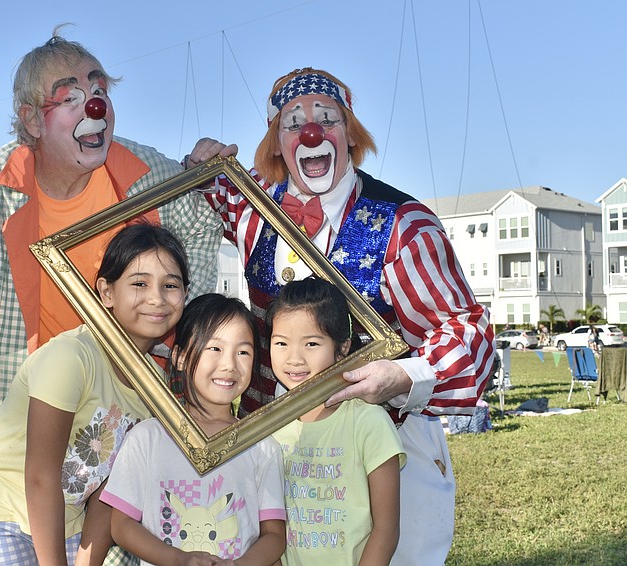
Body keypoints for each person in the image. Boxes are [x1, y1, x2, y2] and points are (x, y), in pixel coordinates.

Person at [0, 25, 234, 472]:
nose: (94, 105)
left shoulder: (145, 174)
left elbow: (198, 228)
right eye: (70, 97)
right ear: (33, 119)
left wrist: (168, 328)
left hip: (122, 430)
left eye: (98, 89)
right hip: (16, 427)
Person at [204, 68, 494, 564]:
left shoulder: (405, 224)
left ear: (349, 134)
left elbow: (469, 336)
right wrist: (204, 163)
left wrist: (401, 375)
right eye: (294, 123)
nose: (311, 132)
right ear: (276, 142)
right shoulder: (253, 205)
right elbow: (209, 185)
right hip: (279, 451)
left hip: (382, 450)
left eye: (327, 119)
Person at [0, 224, 191, 565]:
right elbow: (40, 475)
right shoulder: (71, 356)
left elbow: (109, 489)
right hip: (0, 506)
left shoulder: (154, 385)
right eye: (139, 283)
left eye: (171, 285)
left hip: (68, 521)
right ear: (106, 292)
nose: (156, 298)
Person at [101, 293, 286, 565]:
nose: (229, 364)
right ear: (180, 357)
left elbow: (274, 535)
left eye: (243, 352)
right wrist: (178, 559)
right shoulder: (147, 438)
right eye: (215, 348)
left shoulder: (262, 446)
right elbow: (121, 525)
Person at [267, 278, 404, 565]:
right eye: (281, 343)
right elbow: (268, 529)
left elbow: (387, 528)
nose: (294, 359)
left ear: (343, 348)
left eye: (312, 343)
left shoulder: (369, 422)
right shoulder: (268, 427)